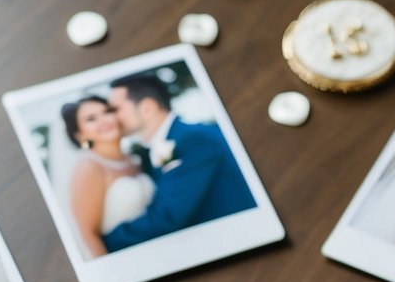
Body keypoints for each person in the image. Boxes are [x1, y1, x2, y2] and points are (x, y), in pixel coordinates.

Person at [101, 70, 256, 251]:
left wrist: (104, 242)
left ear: (147, 108)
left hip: (239, 242)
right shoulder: (174, 140)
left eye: (115, 109)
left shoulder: (193, 140)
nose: (110, 117)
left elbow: (168, 217)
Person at [59, 96, 154, 259]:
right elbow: (88, 234)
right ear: (80, 135)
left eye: (107, 112)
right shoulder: (89, 167)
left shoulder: (134, 159)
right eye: (91, 119)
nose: (104, 120)